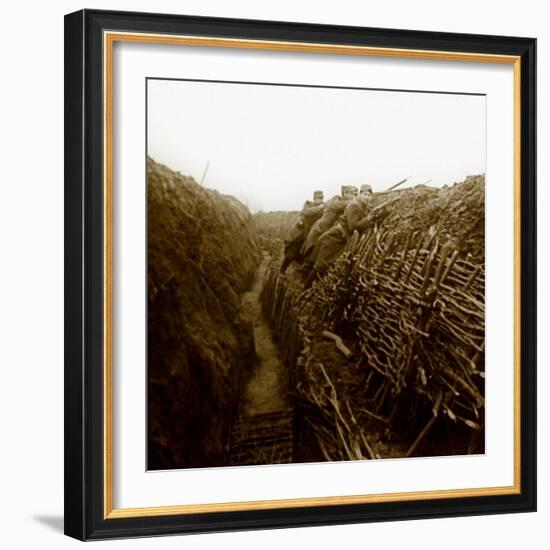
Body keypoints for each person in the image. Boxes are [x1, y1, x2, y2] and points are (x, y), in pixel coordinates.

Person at [304, 184, 377, 287]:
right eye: (365, 194)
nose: (367, 197)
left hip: (340, 239)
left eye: (369, 195)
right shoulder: (353, 205)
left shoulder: (362, 205)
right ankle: (305, 288)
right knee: (320, 266)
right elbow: (353, 226)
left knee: (325, 266)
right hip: (334, 238)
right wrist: (368, 220)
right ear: (360, 195)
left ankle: (311, 287)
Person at [280, 190, 325, 273]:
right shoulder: (308, 204)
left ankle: (296, 273)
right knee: (290, 255)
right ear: (314, 199)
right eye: (318, 198)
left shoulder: (323, 208)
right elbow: (307, 212)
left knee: (304, 256)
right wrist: (319, 208)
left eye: (322, 198)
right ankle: (282, 270)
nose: (320, 200)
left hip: (310, 236)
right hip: (299, 235)